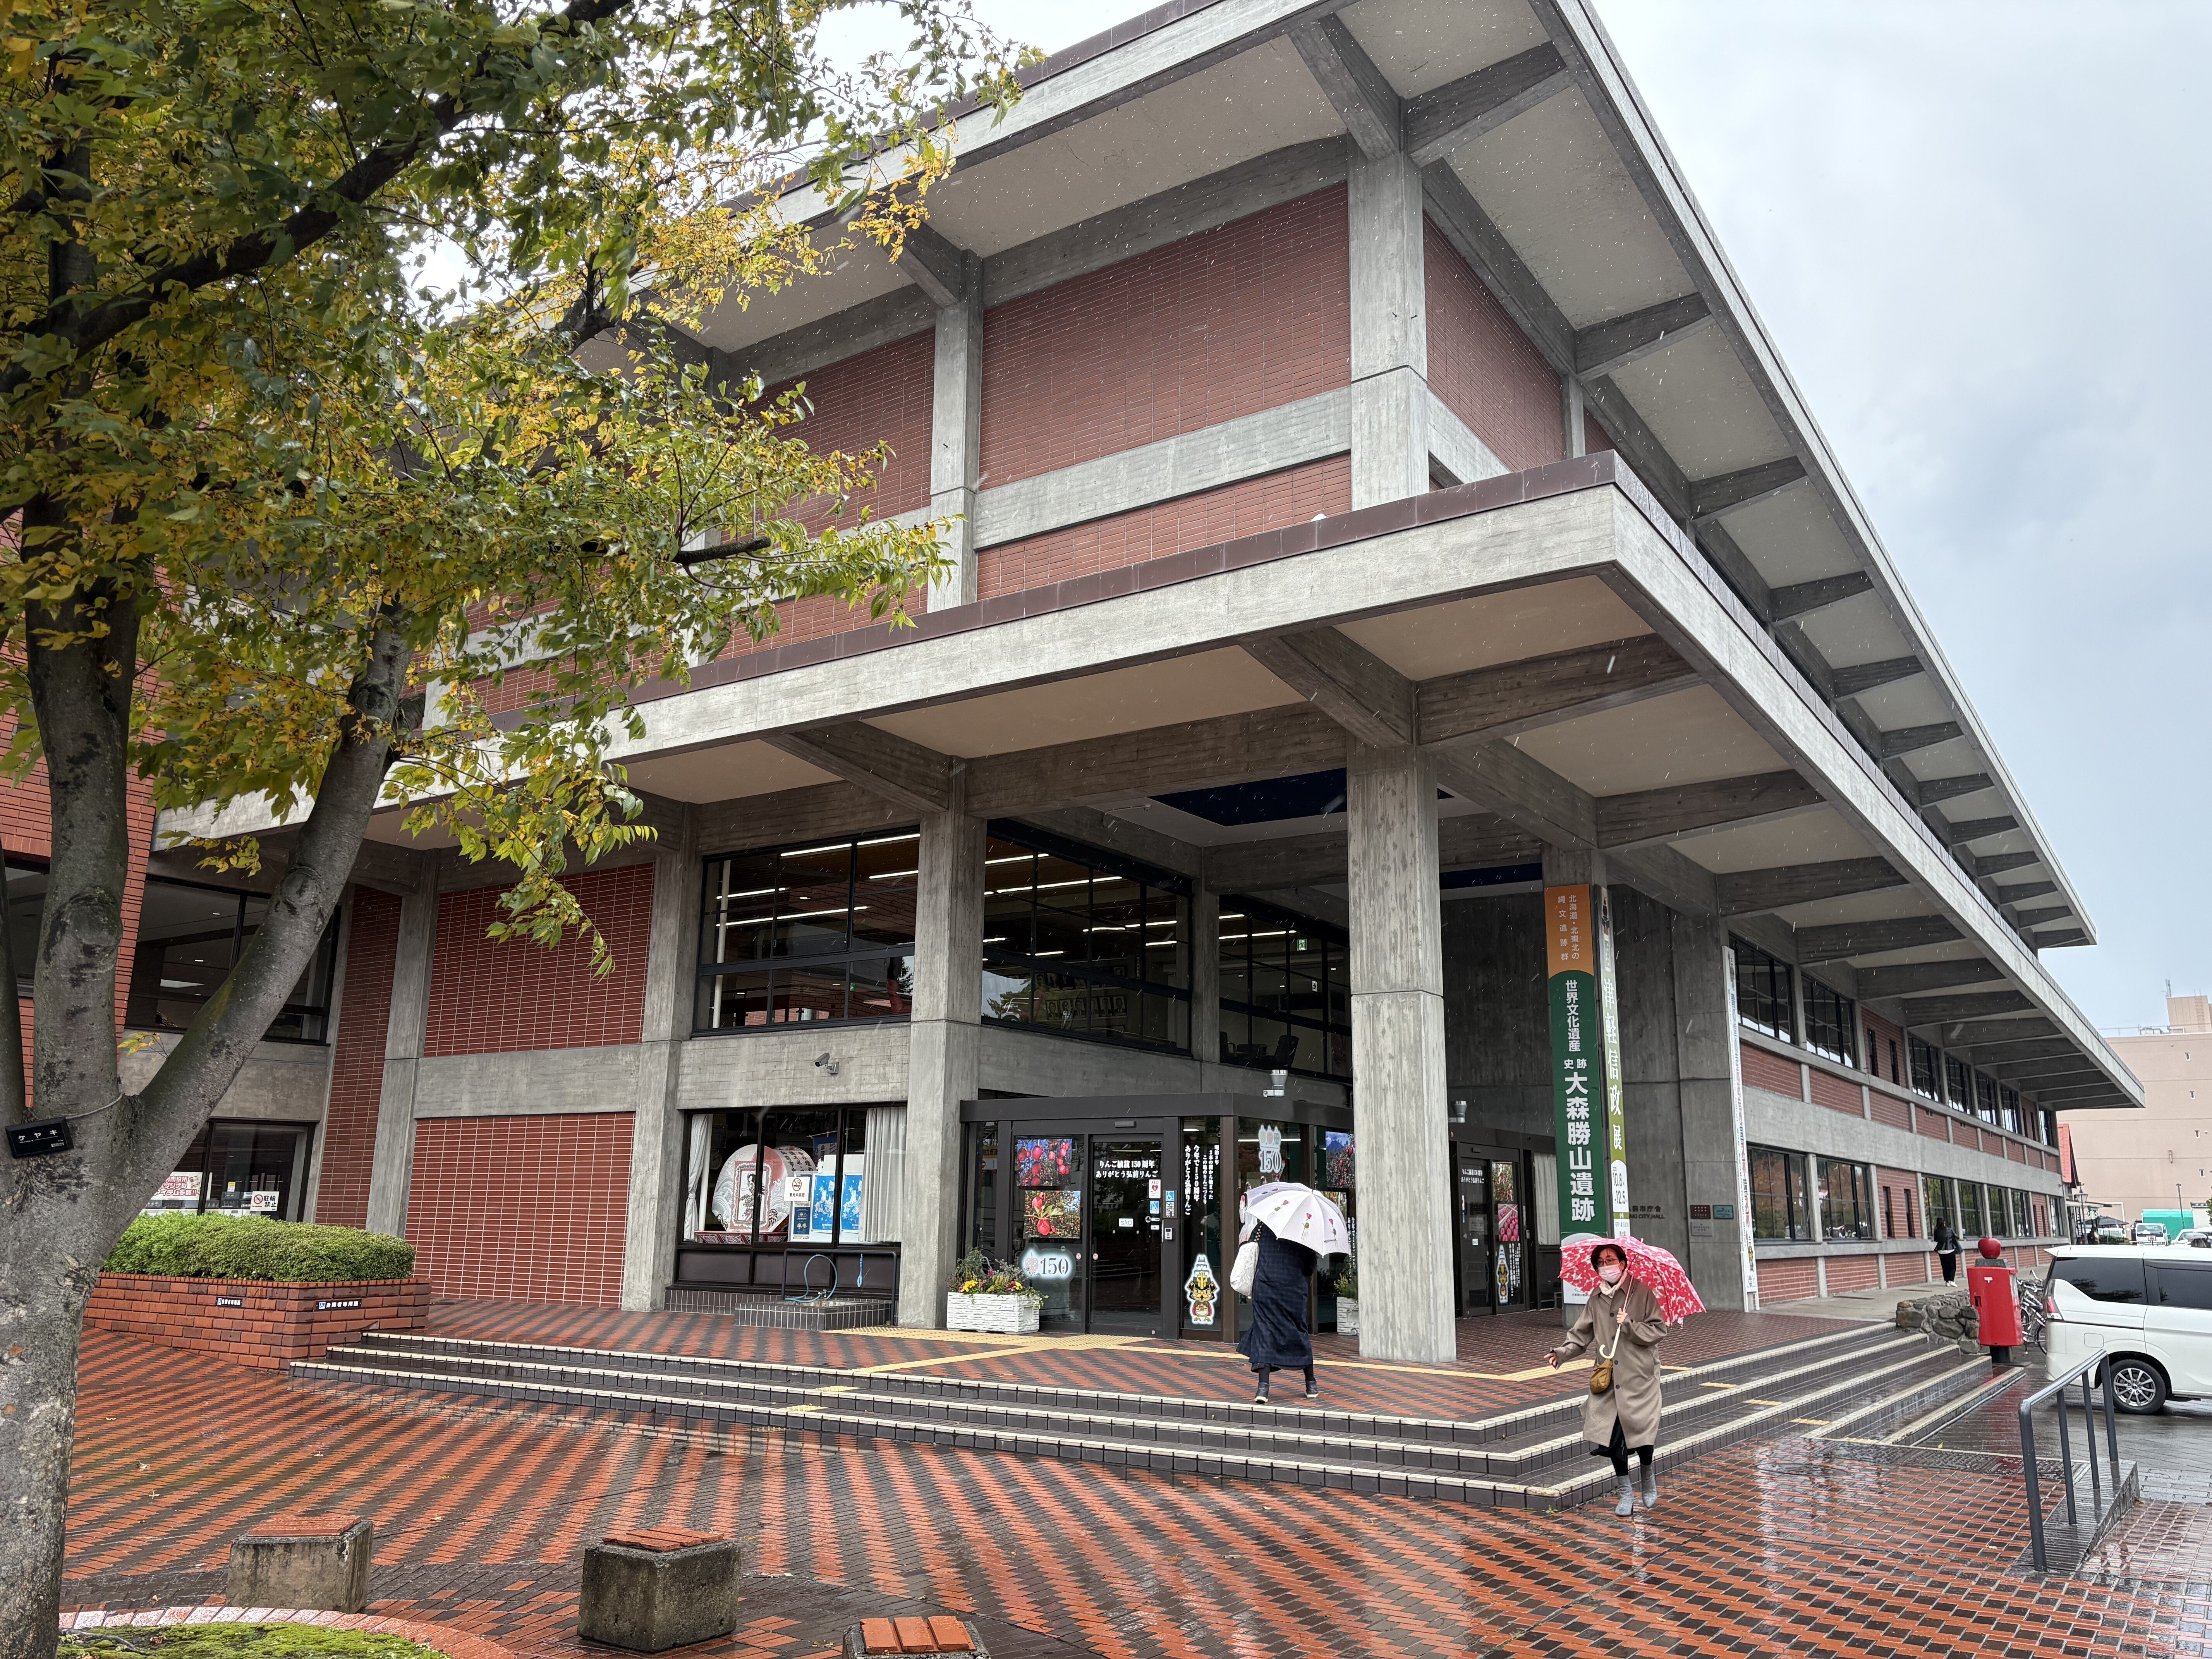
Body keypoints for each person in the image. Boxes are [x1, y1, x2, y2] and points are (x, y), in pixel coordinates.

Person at [1546, 1242, 1669, 1516]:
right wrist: (1562, 1353)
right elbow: (1581, 1335)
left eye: (1610, 1260)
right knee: (1612, 1439)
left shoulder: (1642, 1293)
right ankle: (1626, 1492)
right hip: (1608, 1377)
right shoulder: (1596, 1298)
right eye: (1600, 1262)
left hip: (1639, 1376)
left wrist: (1630, 1324)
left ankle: (1647, 1475)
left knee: (1643, 1437)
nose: (1606, 1266)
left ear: (1623, 1264)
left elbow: (1658, 1330)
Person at [1236, 1219, 1319, 1404]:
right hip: (1294, 1292)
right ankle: (1311, 1385)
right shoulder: (1304, 1232)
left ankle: (1263, 1389)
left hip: (1266, 1288)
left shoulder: (1263, 1227)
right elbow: (1309, 1268)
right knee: (1299, 1332)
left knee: (1265, 1332)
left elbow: (1252, 1249)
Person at [1934, 1214, 1961, 1283]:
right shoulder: (1950, 1230)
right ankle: (1952, 1280)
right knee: (1952, 1266)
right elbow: (1957, 1237)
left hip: (1941, 1250)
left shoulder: (1937, 1231)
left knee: (1944, 1266)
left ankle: (1947, 1281)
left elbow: (1936, 1240)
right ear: (1945, 1223)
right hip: (1950, 1249)